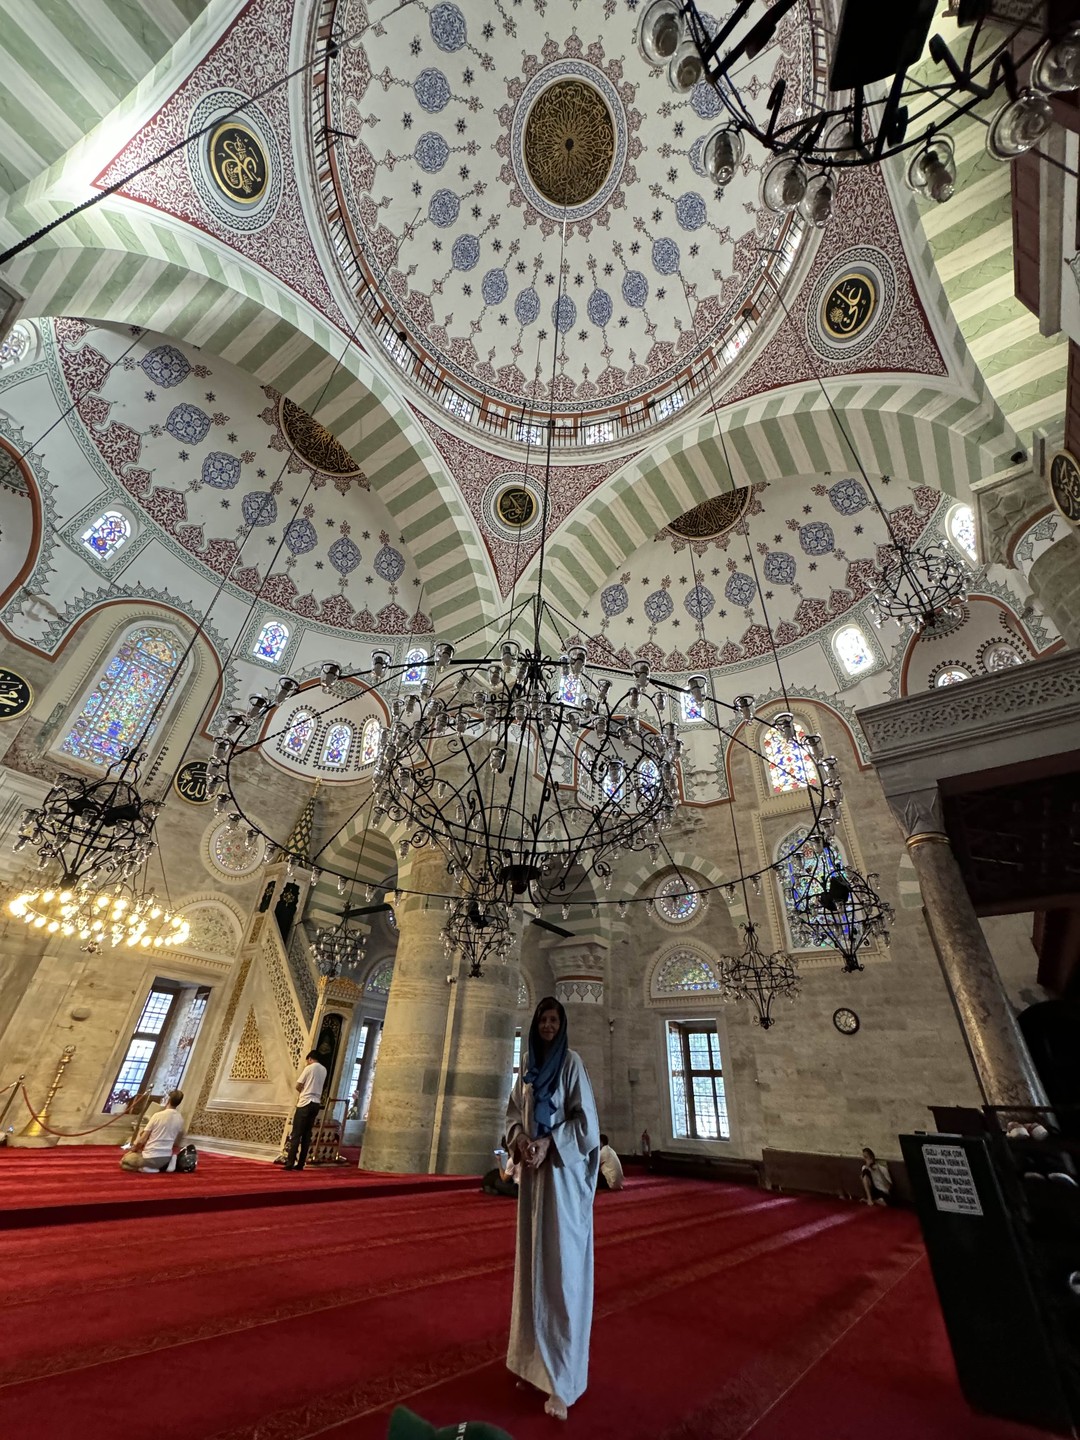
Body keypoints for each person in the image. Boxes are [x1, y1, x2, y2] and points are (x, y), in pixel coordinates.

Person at [506, 996, 600, 1421]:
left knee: (562, 1275)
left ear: (561, 1025)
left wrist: (549, 1142)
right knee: (533, 1271)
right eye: (542, 1019)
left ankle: (563, 1380)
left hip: (562, 1180)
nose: (547, 1026)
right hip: (533, 1181)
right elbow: (513, 1112)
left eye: (553, 1020)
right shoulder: (529, 1066)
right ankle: (532, 1365)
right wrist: (523, 1138)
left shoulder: (572, 1064)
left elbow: (587, 1126)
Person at [120, 1089, 185, 1173]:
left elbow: (142, 1140)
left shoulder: (157, 1116)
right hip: (166, 1157)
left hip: (150, 1156)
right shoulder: (180, 1119)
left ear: (168, 1100)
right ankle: (166, 1165)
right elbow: (175, 1140)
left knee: (125, 1162)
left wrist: (132, 1150)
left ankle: (147, 1168)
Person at [284, 1049, 327, 1171]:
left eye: (307, 1061)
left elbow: (298, 1085)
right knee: (307, 1134)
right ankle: (301, 1164)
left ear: (310, 1059)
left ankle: (290, 1163)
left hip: (305, 1103)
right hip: (316, 1103)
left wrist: (303, 1091)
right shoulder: (324, 1069)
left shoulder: (309, 1068)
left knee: (296, 1134)